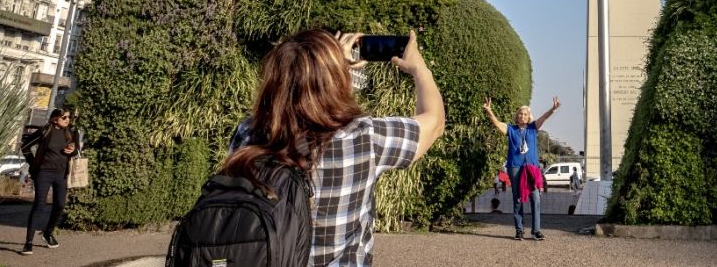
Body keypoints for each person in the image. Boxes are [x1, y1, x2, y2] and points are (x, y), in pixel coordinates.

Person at [227, 29, 444, 266]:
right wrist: (420, 69)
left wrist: (331, 68)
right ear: (332, 78)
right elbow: (434, 122)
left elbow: (305, 108)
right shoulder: (362, 136)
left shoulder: (249, 132)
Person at [482, 96, 560, 240]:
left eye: (525, 114)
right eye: (520, 114)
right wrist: (489, 111)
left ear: (529, 117)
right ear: (516, 116)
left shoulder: (532, 128)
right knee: (517, 198)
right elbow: (498, 124)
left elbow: (544, 117)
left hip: (531, 167)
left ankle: (536, 230)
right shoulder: (511, 129)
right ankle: (519, 230)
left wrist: (553, 109)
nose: (522, 116)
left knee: (535, 197)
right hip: (515, 167)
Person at [19, 108, 80, 255]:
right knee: (39, 205)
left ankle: (48, 233)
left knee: (59, 205)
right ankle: (28, 243)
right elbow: (25, 147)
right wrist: (33, 164)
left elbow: (77, 151)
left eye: (69, 117)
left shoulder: (72, 131)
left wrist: (72, 150)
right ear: (55, 119)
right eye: (64, 117)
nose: (68, 120)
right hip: (44, 173)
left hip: (62, 175)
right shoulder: (45, 131)